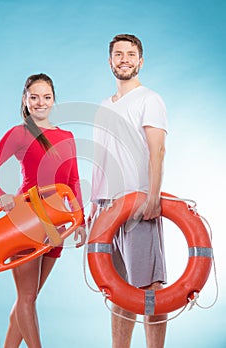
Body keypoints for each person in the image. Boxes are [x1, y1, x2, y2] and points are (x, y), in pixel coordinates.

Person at [0, 73, 86, 348]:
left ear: (54, 100)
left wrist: (80, 220)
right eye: (34, 97)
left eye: (47, 97)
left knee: (28, 299)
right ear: (25, 101)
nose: (41, 103)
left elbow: (73, 182)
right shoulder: (19, 133)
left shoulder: (67, 136)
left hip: (57, 225)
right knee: (26, 298)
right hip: (25, 221)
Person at [89, 34, 168, 347]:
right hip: (107, 207)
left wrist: (153, 197)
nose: (124, 59)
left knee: (150, 286)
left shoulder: (150, 100)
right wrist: (91, 208)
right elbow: (100, 160)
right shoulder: (102, 106)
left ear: (141, 61)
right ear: (110, 61)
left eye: (130, 54)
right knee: (118, 288)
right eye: (118, 54)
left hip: (138, 205)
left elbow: (157, 151)